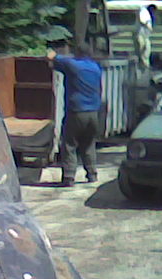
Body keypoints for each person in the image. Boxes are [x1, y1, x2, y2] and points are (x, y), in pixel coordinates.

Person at [47, 42, 102, 187]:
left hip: (77, 111)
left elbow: (52, 57)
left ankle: (69, 177)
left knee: (69, 144)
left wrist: (50, 51)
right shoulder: (96, 68)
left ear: (77, 53)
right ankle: (92, 174)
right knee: (88, 144)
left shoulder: (73, 65)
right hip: (94, 113)